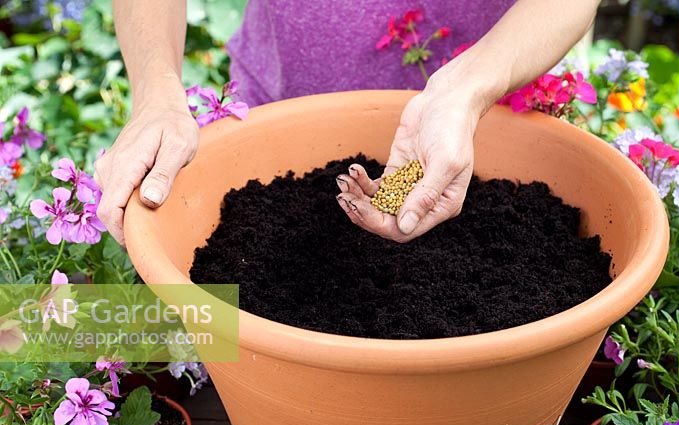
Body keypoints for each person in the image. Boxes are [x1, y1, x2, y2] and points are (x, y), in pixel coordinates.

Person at [96, 1, 600, 245]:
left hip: (473, 132)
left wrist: (466, 91)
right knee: (233, 314)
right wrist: (156, 96)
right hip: (270, 124)